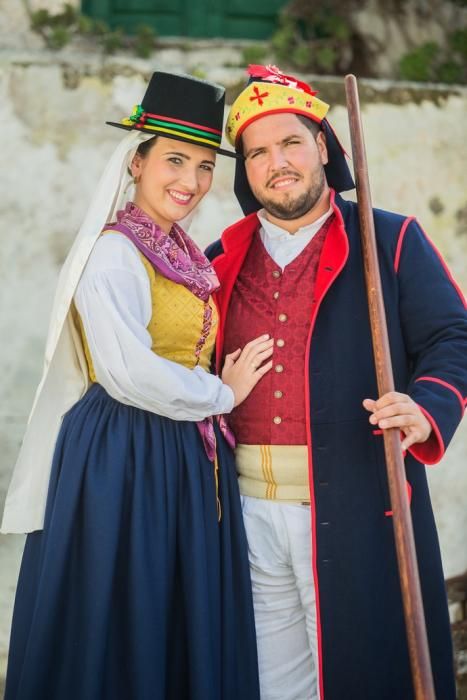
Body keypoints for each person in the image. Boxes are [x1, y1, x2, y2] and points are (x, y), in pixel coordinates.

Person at [2, 71, 272, 700]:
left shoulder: (180, 250)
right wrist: (222, 395)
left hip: (178, 452)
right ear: (137, 161)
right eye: (175, 160)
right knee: (126, 606)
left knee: (169, 607)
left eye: (205, 166)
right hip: (123, 453)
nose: (191, 181)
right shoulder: (115, 252)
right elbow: (130, 372)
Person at [206, 64, 467, 700]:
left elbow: (452, 338)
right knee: (267, 684)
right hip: (244, 514)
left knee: (367, 677)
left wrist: (424, 406)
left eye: (292, 142)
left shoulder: (390, 238)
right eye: (258, 152)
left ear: (323, 146)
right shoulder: (218, 257)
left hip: (359, 505)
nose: (277, 162)